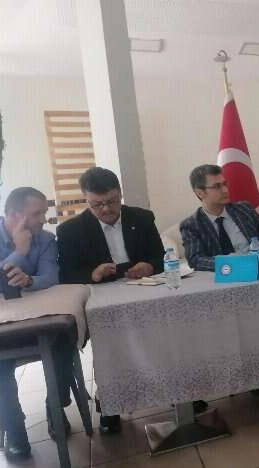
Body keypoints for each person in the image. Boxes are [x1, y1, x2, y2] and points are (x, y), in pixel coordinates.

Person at [57, 167, 166, 434]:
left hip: (144, 288)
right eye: (97, 204)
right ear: (86, 199)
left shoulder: (141, 218)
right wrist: (92, 274)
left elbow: (160, 257)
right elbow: (66, 275)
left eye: (112, 201)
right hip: (102, 295)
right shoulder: (71, 230)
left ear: (120, 194)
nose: (106, 209)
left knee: (166, 332)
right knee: (111, 348)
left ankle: (178, 391)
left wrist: (150, 266)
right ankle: (110, 403)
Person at [0, 187, 71, 461]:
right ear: (14, 215)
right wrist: (19, 252)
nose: (43, 219)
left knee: (65, 338)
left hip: (40, 321)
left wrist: (29, 280)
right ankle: (14, 427)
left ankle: (54, 407)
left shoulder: (46, 239)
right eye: (37, 214)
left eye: (43, 213)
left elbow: (50, 277)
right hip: (0, 327)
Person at [181, 164, 259, 270]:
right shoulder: (191, 225)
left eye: (225, 184)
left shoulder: (244, 209)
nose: (225, 190)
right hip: (224, 276)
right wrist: (229, 262)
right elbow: (196, 260)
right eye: (217, 186)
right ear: (200, 193)